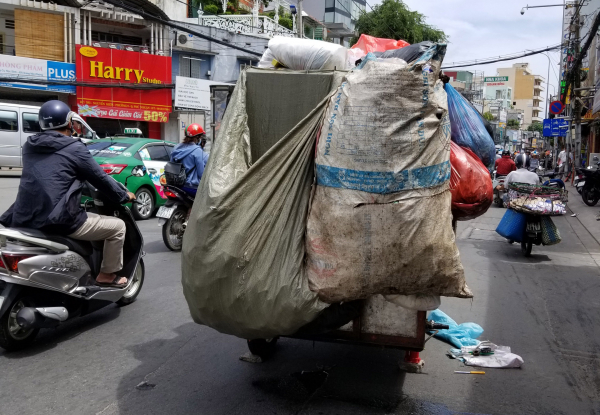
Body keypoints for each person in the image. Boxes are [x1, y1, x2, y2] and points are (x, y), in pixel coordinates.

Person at [0, 100, 135, 287]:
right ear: (69, 124)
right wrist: (123, 195)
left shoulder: (30, 146)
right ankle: (107, 275)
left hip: (25, 216)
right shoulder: (75, 148)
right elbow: (100, 178)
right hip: (59, 219)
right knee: (118, 227)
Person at [170, 123, 209, 196]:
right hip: (191, 187)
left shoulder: (176, 147)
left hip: (176, 186)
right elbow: (201, 174)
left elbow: (171, 164)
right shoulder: (197, 151)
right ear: (198, 138)